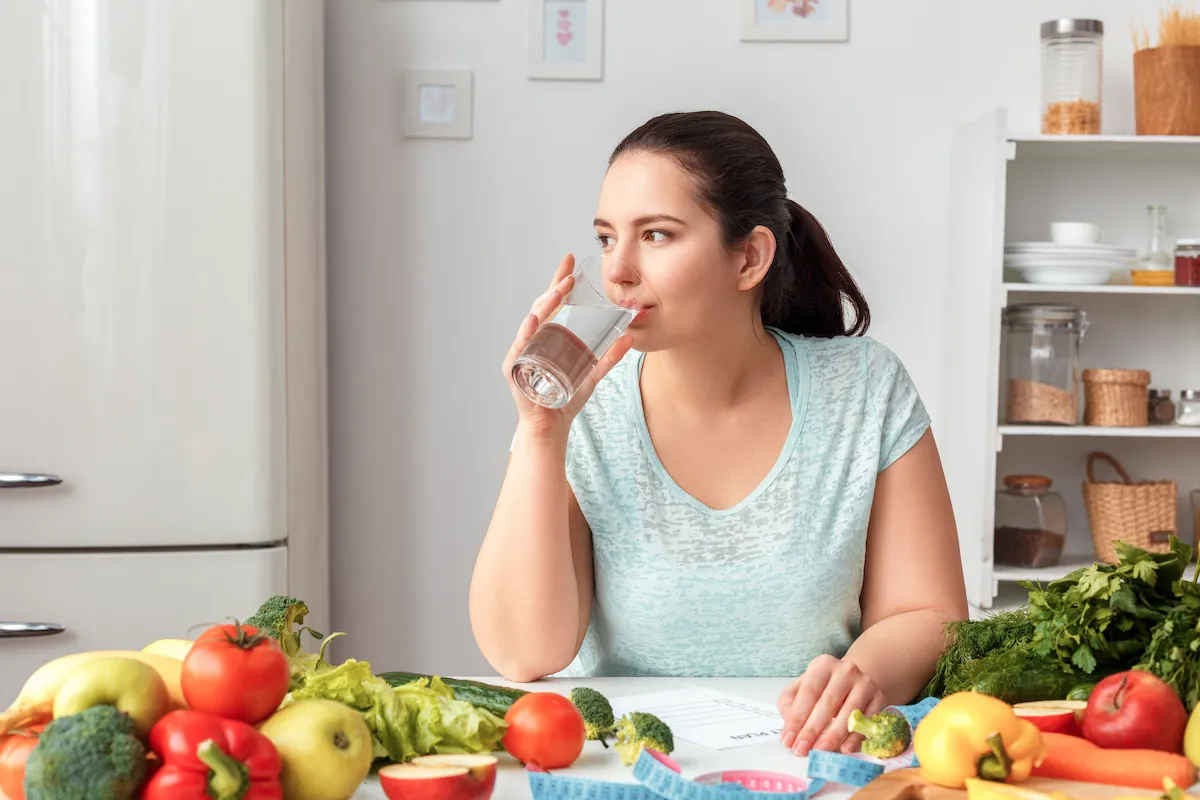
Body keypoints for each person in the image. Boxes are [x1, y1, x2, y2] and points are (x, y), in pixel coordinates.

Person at [469, 110, 968, 757]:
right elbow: (523, 653)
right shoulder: (582, 406)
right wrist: (541, 433)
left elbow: (926, 612)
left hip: (812, 761)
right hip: (629, 771)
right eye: (605, 237)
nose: (616, 271)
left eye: (655, 235)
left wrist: (857, 679)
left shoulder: (865, 388)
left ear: (750, 257)